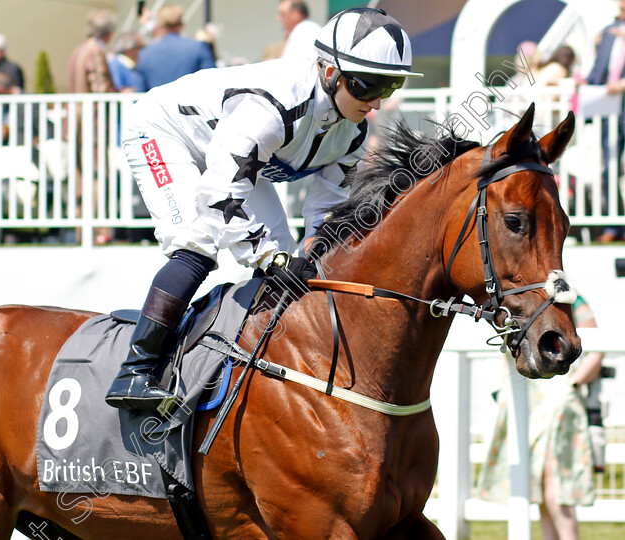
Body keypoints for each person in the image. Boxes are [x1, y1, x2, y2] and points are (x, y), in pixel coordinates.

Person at [105, 7, 422, 410]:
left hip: (229, 154)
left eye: (389, 86)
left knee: (290, 256)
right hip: (166, 133)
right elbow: (220, 194)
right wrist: (268, 257)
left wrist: (303, 254)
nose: (376, 102)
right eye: (366, 85)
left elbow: (324, 215)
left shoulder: (352, 133)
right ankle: (136, 370)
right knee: (199, 240)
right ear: (329, 72)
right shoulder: (273, 106)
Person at [477, 294, 605, 540]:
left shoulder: (574, 301)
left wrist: (573, 384)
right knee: (540, 486)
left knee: (556, 483)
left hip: (559, 399)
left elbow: (597, 350)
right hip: (532, 399)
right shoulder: (525, 299)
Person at [584, 0, 625, 240]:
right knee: (609, 168)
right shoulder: (610, 32)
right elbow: (600, 67)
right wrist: (587, 82)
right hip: (610, 113)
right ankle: (614, 225)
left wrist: (621, 85)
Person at [136, 4, 216, 90]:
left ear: (159, 25)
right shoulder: (199, 47)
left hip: (158, 102)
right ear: (181, 25)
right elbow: (212, 82)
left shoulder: (145, 54)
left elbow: (140, 90)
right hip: (190, 102)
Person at [69, 8, 117, 93]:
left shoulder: (79, 48)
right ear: (109, 32)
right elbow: (100, 87)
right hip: (90, 105)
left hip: (79, 104)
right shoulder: (95, 51)